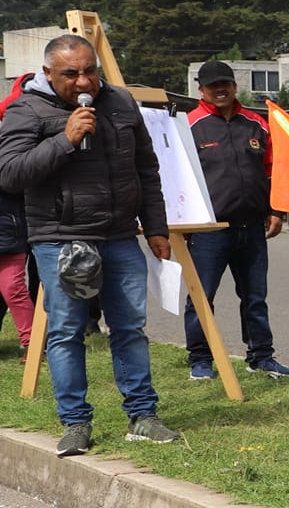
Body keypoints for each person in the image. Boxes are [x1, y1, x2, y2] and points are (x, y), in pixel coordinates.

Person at [0, 35, 180, 454]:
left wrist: (155, 226)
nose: (84, 80)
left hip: (118, 235)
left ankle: (142, 415)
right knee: (65, 333)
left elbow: (146, 168)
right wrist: (63, 139)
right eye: (71, 73)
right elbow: (9, 174)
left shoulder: (119, 102)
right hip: (60, 239)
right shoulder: (26, 109)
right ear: (48, 74)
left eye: (90, 70)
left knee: (130, 328)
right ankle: (76, 422)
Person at [181, 59, 289, 381]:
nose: (220, 90)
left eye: (225, 84)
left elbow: (274, 171)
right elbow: (177, 179)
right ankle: (200, 360)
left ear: (234, 85)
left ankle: (261, 356)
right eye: (213, 85)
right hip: (208, 230)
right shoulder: (188, 127)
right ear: (201, 90)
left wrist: (276, 211)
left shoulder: (257, 124)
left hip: (252, 228)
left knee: (255, 297)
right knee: (202, 296)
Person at [0, 73, 38, 349]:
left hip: (12, 228)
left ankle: (32, 342)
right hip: (12, 226)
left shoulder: (14, 147)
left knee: (13, 287)